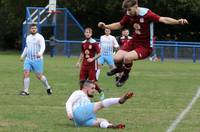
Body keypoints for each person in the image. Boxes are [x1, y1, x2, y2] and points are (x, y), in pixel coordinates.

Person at [98, 0, 188, 87]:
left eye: (129, 9)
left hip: (145, 46)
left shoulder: (147, 14)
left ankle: (125, 75)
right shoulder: (128, 14)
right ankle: (120, 68)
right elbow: (120, 25)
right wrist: (106, 26)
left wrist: (177, 21)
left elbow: (163, 19)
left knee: (127, 57)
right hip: (133, 41)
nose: (127, 12)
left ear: (136, 6)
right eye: (126, 10)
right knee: (116, 58)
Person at [66, 80, 134, 129]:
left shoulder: (87, 100)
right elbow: (69, 102)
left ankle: (110, 126)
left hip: (79, 122)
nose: (94, 91)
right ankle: (120, 100)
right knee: (100, 104)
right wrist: (69, 113)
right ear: (85, 88)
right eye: (92, 88)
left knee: (102, 121)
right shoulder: (79, 92)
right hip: (77, 113)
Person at [20, 24, 52, 95]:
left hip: (37, 60)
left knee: (39, 76)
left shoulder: (40, 37)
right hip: (28, 59)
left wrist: (40, 53)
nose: (33, 29)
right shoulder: (28, 37)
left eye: (35, 28)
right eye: (32, 28)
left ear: (36, 29)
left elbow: (43, 46)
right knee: (26, 73)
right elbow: (26, 47)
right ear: (30, 29)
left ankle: (48, 87)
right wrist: (22, 55)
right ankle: (26, 91)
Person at [76, 27, 105, 100]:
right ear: (84, 33)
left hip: (92, 65)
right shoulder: (83, 43)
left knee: (92, 82)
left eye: (89, 32)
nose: (87, 34)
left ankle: (100, 91)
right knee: (81, 81)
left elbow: (100, 53)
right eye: (86, 32)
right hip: (84, 64)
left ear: (91, 34)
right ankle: (82, 96)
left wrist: (92, 59)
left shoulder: (94, 43)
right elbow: (82, 53)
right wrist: (78, 62)